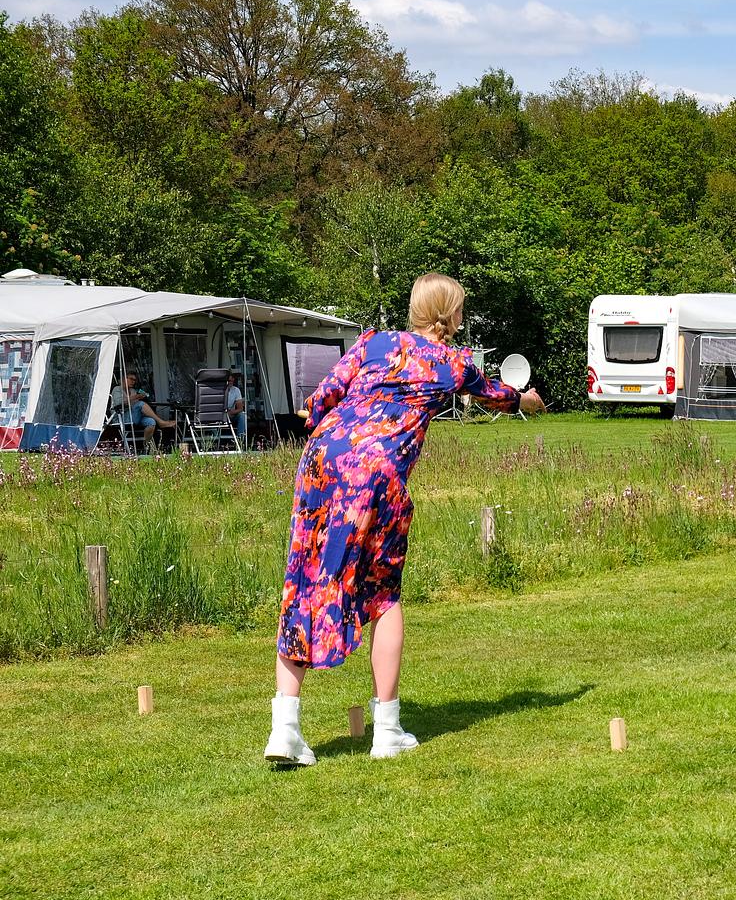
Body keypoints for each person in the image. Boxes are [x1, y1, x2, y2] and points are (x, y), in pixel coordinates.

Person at [265, 273, 545, 767]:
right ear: (452, 315)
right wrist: (527, 400)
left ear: (416, 310)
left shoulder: (374, 342)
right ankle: (387, 730)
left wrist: (331, 426)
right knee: (382, 591)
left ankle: (284, 730)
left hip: (320, 460)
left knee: (303, 579)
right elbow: (498, 395)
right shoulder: (452, 362)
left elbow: (322, 397)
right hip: (376, 473)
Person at [109, 372, 175, 448]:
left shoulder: (133, 391)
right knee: (140, 404)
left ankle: (146, 446)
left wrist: (143, 395)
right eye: (131, 379)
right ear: (124, 379)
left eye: (135, 380)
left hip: (134, 416)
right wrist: (136, 397)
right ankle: (161, 422)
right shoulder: (117, 389)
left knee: (151, 422)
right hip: (121, 418)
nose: (133, 381)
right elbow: (119, 403)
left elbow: (143, 398)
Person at [224, 371, 247, 448]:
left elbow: (240, 408)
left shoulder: (236, 390)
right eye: (228, 381)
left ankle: (240, 441)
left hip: (231, 415)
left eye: (231, 380)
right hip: (220, 416)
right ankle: (215, 442)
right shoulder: (218, 390)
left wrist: (231, 412)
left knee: (242, 415)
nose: (230, 383)